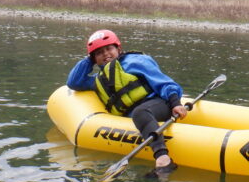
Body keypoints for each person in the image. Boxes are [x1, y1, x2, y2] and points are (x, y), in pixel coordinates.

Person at [66, 29, 187, 171]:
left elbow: (164, 83)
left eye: (108, 48)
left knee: (140, 112)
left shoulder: (135, 62)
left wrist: (176, 103)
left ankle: (163, 159)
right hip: (134, 117)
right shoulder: (98, 80)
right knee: (139, 113)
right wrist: (88, 60)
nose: (105, 54)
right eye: (98, 53)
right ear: (94, 59)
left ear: (118, 48)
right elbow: (73, 82)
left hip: (160, 105)